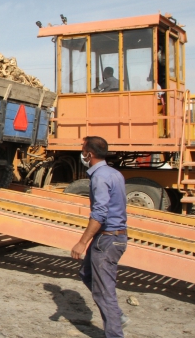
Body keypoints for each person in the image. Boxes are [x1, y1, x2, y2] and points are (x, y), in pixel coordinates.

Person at [71, 136, 128, 337]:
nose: (82, 152)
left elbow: (100, 214)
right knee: (87, 274)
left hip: (107, 239)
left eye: (83, 148)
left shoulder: (99, 177)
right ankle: (117, 316)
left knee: (104, 291)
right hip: (113, 237)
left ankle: (114, 332)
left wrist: (81, 242)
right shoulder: (114, 173)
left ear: (90, 154)